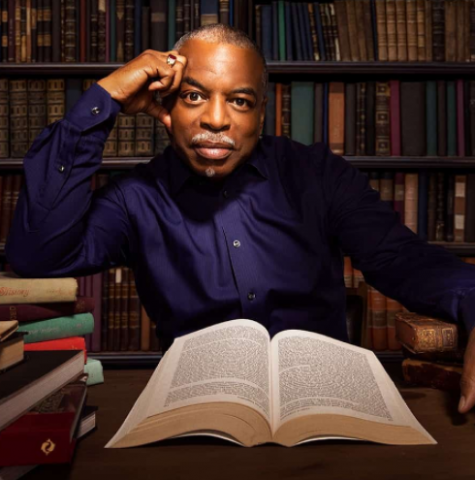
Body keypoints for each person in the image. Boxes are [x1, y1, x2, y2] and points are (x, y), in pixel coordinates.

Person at [5, 24, 475, 414]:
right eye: (193, 96)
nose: (216, 119)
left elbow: (401, 258)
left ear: (262, 113)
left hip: (328, 405)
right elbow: (39, 256)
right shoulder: (135, 197)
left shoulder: (318, 175)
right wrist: (102, 100)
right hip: (194, 413)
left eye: (240, 101)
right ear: (165, 106)